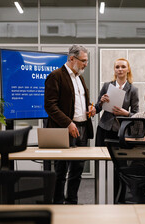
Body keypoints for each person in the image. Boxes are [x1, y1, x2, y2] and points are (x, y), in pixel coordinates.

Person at [44, 45, 95, 204]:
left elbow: (77, 101)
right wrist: (68, 123)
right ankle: (58, 202)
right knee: (61, 170)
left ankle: (72, 201)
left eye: (86, 61)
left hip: (83, 128)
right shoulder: (56, 76)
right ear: (72, 58)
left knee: (77, 170)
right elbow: (50, 106)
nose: (86, 64)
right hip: (65, 130)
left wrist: (89, 108)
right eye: (83, 61)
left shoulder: (79, 77)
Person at [94, 58, 139, 146]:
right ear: (114, 70)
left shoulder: (133, 90)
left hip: (121, 129)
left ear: (128, 70)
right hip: (104, 127)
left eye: (123, 67)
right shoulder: (107, 86)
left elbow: (136, 114)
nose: (120, 69)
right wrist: (101, 102)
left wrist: (126, 113)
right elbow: (97, 109)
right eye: (117, 67)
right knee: (99, 154)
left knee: (120, 157)